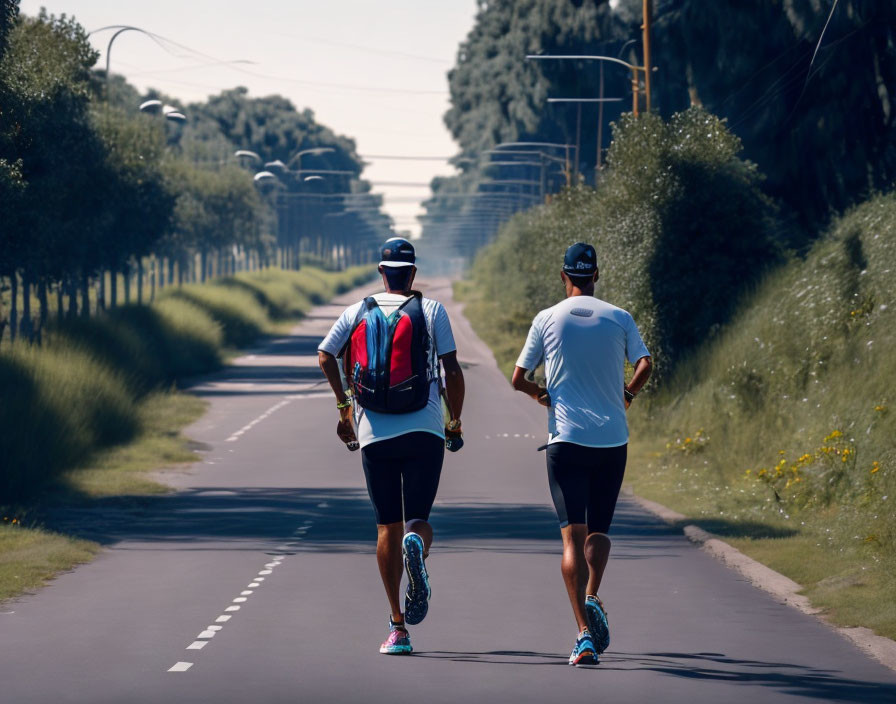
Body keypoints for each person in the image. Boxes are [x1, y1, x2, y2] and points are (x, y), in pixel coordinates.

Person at [318, 237, 465, 655]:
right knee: (417, 518)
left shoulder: (357, 310)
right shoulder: (432, 310)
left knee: (386, 526)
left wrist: (345, 406)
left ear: (382, 273)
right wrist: (454, 421)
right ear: (413, 273)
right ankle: (417, 542)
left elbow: (326, 355)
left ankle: (398, 628)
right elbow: (451, 369)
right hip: (424, 429)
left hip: (373, 433)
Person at [511, 242, 652, 667]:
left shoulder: (546, 319)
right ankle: (592, 595)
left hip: (566, 440)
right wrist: (626, 394)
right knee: (599, 534)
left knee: (572, 538)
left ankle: (583, 635)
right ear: (597, 277)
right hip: (612, 440)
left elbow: (518, 378)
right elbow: (645, 363)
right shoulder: (620, 317)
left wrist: (541, 394)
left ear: (563, 276)